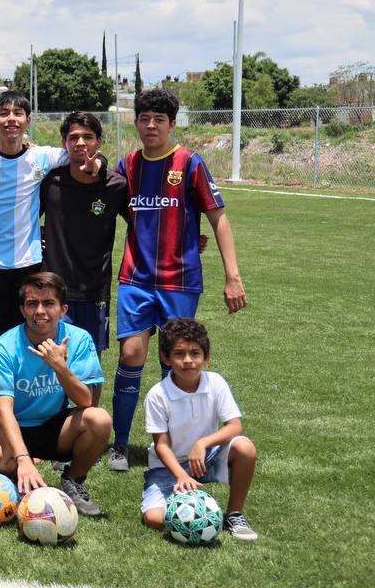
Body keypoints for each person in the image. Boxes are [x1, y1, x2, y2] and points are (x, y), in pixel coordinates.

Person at [109, 88, 247, 472]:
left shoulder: (189, 162)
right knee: (131, 354)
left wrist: (232, 277)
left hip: (179, 281)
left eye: (159, 120)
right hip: (136, 277)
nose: (150, 125)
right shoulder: (127, 166)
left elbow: (218, 218)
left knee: (175, 363)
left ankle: (172, 447)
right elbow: (119, 210)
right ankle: (119, 445)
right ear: (135, 122)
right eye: (144, 118)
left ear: (171, 124)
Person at [0, 91, 99, 442]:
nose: (11, 119)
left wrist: (100, 162)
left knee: (31, 335)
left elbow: (83, 153)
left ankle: (30, 406)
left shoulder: (44, 156)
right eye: (4, 113)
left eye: (18, 113)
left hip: (28, 264)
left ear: (27, 120)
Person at [0, 272, 111, 516]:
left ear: (62, 309)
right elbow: (3, 410)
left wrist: (60, 367)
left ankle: (73, 480)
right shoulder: (3, 347)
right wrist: (23, 457)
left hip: (55, 427)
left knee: (99, 419)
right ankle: (19, 480)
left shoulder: (79, 339)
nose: (40, 311)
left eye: (48, 303)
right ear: (22, 310)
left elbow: (86, 401)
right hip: (13, 425)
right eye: (32, 303)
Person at [141, 318, 258, 539]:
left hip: (205, 458)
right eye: (179, 354)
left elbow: (235, 426)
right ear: (165, 358)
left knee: (245, 447)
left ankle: (234, 514)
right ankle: (190, 506)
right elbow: (162, 445)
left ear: (206, 357)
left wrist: (202, 444)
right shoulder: (158, 394)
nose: (188, 360)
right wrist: (180, 476)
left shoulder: (216, 383)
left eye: (195, 353)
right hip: (167, 467)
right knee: (154, 519)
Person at [39, 112, 128, 380]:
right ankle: (56, 420)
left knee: (90, 365)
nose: (80, 143)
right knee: (54, 362)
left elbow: (142, 223)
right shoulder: (50, 181)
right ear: (63, 143)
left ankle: (89, 418)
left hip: (94, 289)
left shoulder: (116, 185)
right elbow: (25, 216)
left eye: (88, 137)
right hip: (55, 289)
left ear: (99, 142)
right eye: (73, 137)